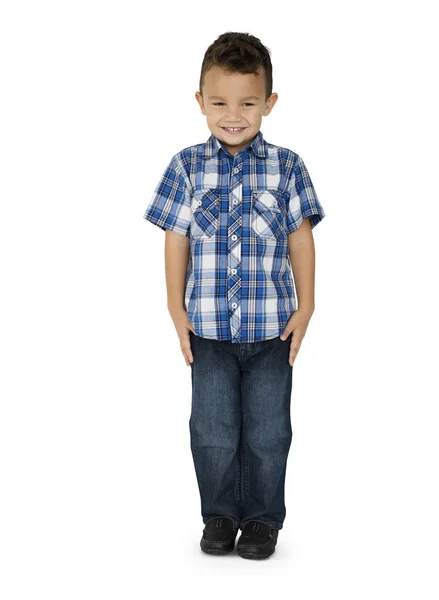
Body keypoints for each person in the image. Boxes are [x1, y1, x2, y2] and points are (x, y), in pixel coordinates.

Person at [142, 32, 326, 560]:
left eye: (248, 102)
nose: (233, 115)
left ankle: (263, 520)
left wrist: (307, 305)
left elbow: (300, 238)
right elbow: (176, 239)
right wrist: (175, 309)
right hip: (209, 332)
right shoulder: (185, 167)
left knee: (269, 434)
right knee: (213, 431)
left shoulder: (287, 166)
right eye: (219, 102)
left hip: (273, 331)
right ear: (200, 101)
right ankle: (220, 515)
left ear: (269, 102)